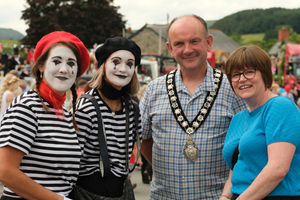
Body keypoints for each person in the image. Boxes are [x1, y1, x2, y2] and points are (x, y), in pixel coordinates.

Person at [140, 14, 246, 200]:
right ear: (170, 48)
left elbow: (246, 148)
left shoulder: (233, 90)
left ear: (208, 42)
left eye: (194, 41)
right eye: (179, 44)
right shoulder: (153, 90)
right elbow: (143, 140)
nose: (187, 50)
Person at [0, 31, 90, 200]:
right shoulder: (27, 107)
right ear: (41, 66)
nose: (64, 69)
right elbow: (5, 171)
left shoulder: (63, 113)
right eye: (56, 61)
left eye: (71, 63)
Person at [221, 45, 300, 200]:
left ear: (264, 73)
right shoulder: (237, 119)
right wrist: (224, 196)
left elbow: (277, 168)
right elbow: (238, 167)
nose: (242, 79)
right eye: (235, 74)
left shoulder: (279, 107)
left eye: (249, 71)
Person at [74, 36, 142, 198]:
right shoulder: (87, 107)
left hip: (122, 192)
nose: (123, 69)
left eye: (130, 64)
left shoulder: (132, 109)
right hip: (90, 193)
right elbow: (72, 159)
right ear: (103, 66)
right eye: (116, 62)